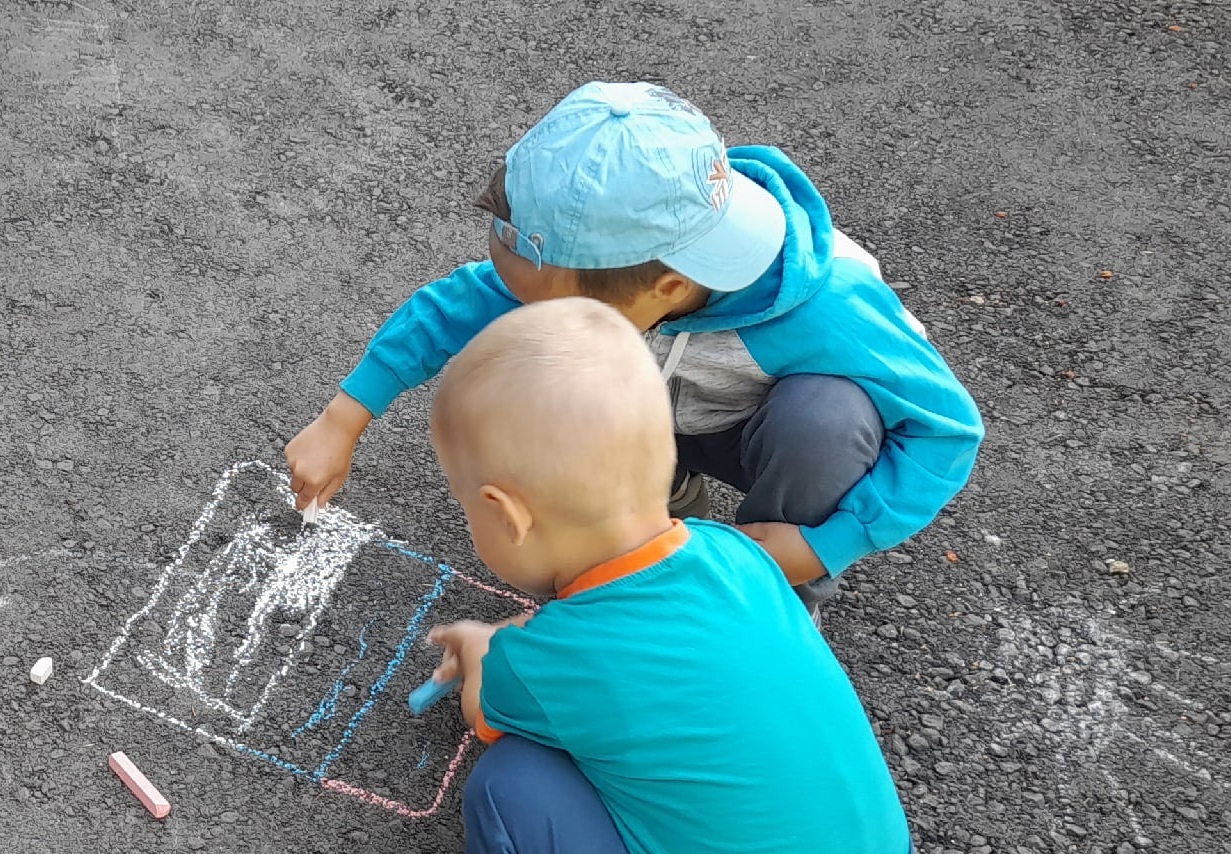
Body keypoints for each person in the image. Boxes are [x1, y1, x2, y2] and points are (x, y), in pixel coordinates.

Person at [420, 298, 919, 854]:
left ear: (506, 515)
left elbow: (485, 709)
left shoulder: (549, 660)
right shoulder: (737, 554)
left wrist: (484, 649)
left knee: (511, 785)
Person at [286, 81, 983, 610]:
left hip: (754, 434)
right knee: (529, 365)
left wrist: (826, 543)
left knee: (826, 420)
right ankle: (657, 505)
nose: (530, 301)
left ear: (668, 287)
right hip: (651, 417)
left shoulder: (832, 305)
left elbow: (946, 430)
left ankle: (774, 594)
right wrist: (343, 419)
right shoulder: (599, 266)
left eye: (550, 297)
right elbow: (451, 311)